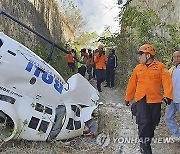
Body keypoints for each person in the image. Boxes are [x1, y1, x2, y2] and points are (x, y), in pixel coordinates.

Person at [125, 44, 173, 154]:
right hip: (141, 99)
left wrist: (168, 96)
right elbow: (132, 84)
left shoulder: (160, 67)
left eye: (141, 54)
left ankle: (147, 140)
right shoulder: (138, 68)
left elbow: (167, 82)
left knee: (152, 123)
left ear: (148, 55)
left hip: (155, 100)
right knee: (144, 122)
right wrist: (128, 98)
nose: (139, 57)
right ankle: (144, 145)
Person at [165, 49, 180, 142]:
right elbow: (166, 80)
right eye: (174, 56)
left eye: (178, 56)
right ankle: (176, 135)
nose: (176, 58)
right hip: (171, 98)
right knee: (168, 117)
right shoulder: (172, 69)